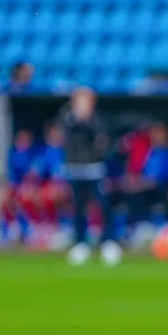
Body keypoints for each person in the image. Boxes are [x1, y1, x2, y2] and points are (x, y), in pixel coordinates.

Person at [58, 87, 121, 267]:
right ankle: (80, 243)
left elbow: (102, 140)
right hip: (74, 168)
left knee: (103, 205)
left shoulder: (98, 119)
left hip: (94, 168)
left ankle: (108, 242)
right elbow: (64, 136)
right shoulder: (67, 117)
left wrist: (87, 121)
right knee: (77, 207)